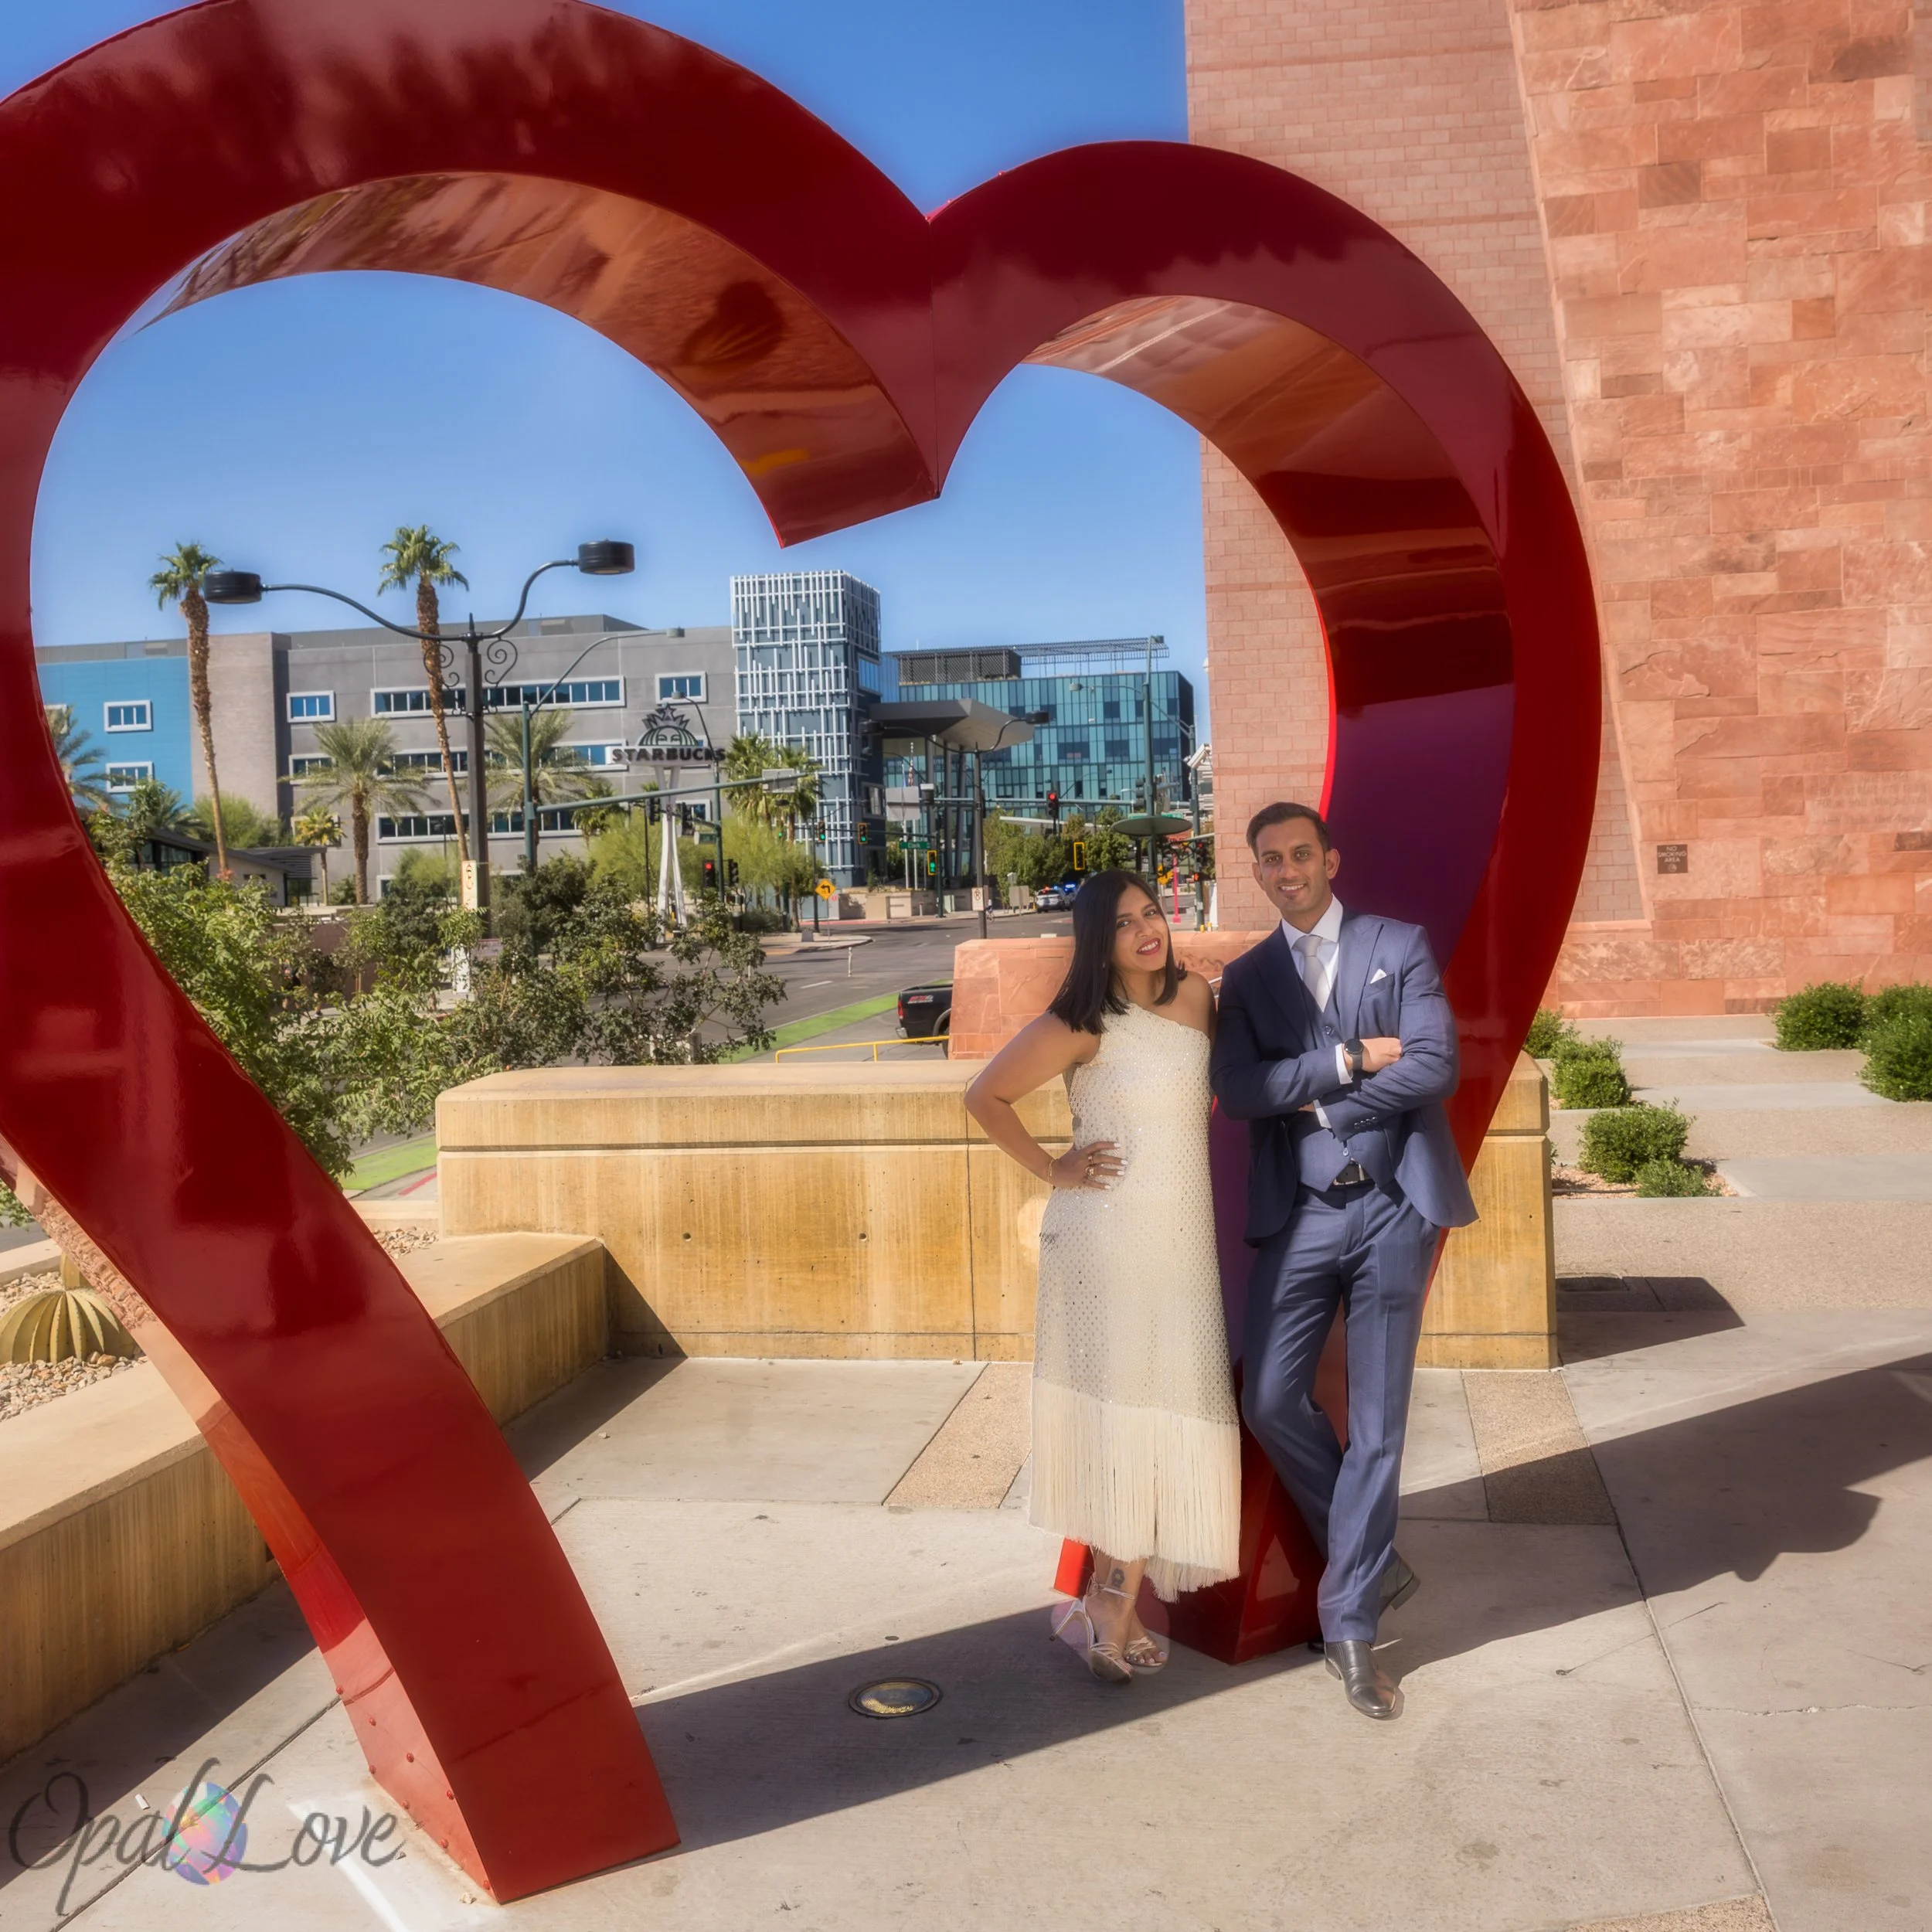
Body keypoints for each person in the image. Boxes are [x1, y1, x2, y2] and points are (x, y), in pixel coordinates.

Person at [1209, 801, 1476, 1721]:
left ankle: (1352, 1625)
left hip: (1394, 1206)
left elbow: (1436, 1062)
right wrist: (1347, 1063)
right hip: (1302, 1219)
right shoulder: (1245, 979)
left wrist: (1321, 1107)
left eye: (1299, 854)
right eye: (1269, 861)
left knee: (1378, 1424)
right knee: (1270, 1400)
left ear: (1330, 857)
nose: (1287, 871)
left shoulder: (1396, 943)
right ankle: (1370, 1556)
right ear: (1258, 872)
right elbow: (1243, 1089)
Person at [965, 869, 1240, 1682]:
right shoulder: (1081, 1020)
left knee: (1171, 1402)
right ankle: (1116, 1594)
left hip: (1182, 1241)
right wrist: (1054, 1169)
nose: (1145, 930)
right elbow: (985, 1096)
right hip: (1106, 1242)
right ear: (1098, 939)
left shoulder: (1197, 999)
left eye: (1150, 912)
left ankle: (1111, 1588)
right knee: (1128, 1411)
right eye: (1123, 923)